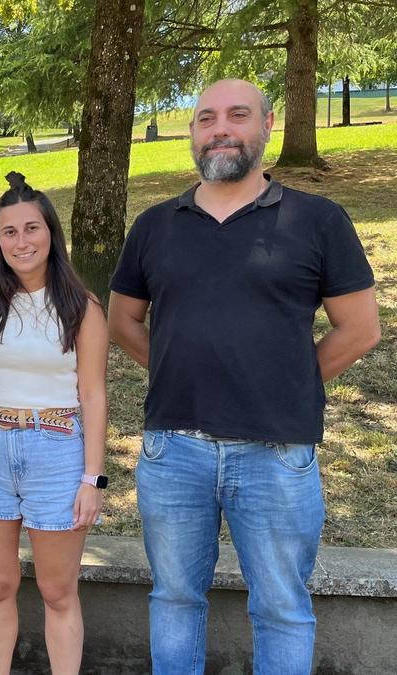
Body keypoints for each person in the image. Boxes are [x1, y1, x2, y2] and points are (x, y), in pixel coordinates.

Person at [108, 79, 381, 674]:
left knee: (281, 607)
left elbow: (360, 329)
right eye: (206, 118)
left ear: (268, 124)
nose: (221, 129)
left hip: (276, 453)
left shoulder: (318, 220)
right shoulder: (155, 225)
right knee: (174, 599)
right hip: (173, 450)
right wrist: (178, 368)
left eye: (237, 115)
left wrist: (285, 381)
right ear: (192, 133)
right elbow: (123, 320)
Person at [0, 172, 108, 674]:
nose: (21, 242)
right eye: (8, 232)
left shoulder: (81, 307)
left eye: (32, 228)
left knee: (57, 591)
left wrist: (93, 479)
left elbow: (93, 394)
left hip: (56, 452)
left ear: (51, 233)